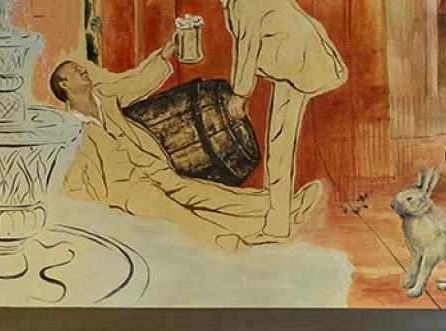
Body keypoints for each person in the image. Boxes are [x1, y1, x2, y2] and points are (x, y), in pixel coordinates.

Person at [49, 49, 323, 247]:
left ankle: (281, 209)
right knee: (177, 212)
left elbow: (137, 82)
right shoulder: (71, 129)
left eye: (79, 67)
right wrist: (100, 209)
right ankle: (225, 242)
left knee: (204, 194)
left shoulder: (105, 97)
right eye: (74, 70)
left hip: (152, 167)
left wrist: (166, 54)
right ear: (64, 85)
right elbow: (73, 179)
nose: (81, 69)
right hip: (125, 189)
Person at [183, 0, 347, 243]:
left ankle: (276, 226)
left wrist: (240, 94)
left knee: (280, 145)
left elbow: (247, 44)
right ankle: (277, 219)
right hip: (291, 68)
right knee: (279, 146)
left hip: (300, 68)